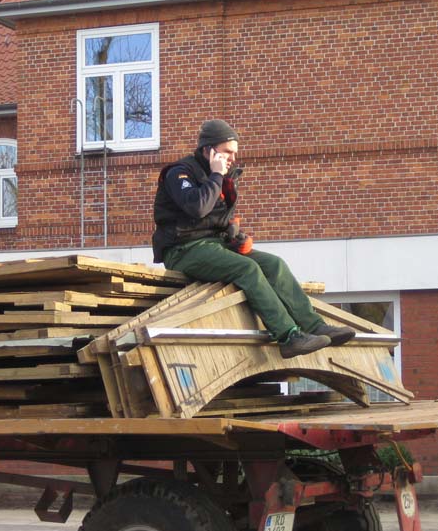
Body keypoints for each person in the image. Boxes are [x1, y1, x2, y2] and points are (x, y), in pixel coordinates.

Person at [151, 119, 355, 359]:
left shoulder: (222, 177)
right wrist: (216, 175)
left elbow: (214, 220)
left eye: (234, 153)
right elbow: (197, 208)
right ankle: (289, 336)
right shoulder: (180, 172)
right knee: (246, 268)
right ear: (208, 150)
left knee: (274, 264)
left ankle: (313, 326)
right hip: (182, 249)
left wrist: (235, 236)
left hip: (213, 245)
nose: (232, 159)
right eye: (227, 152)